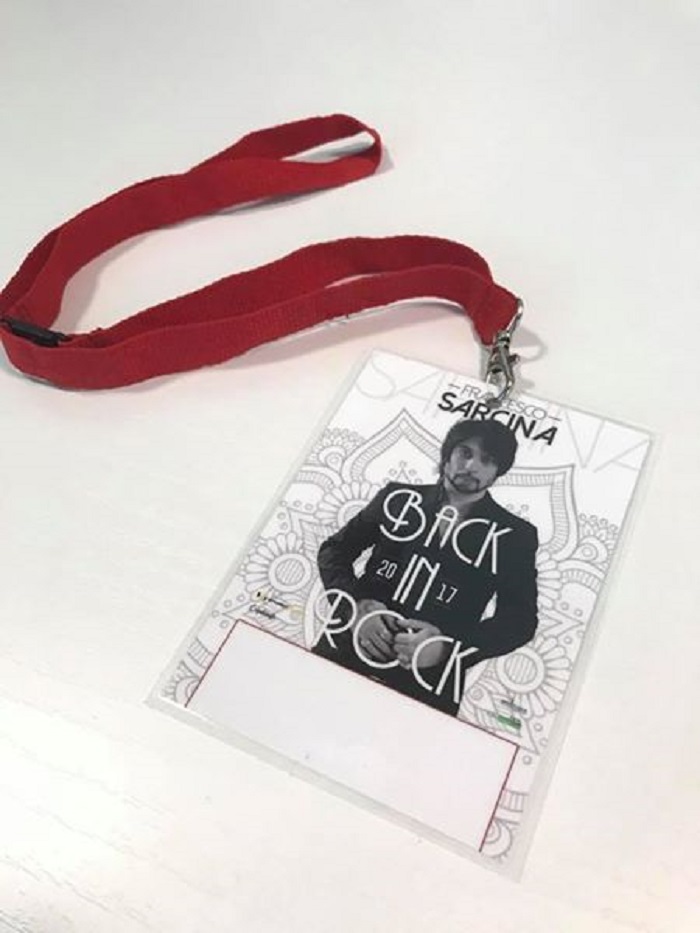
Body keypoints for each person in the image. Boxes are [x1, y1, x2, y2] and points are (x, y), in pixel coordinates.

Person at [312, 418, 539, 717]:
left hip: (427, 685)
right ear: (447, 455)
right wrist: (354, 608)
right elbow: (335, 550)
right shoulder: (397, 497)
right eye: (465, 452)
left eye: (487, 460)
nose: (472, 466)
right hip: (345, 651)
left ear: (499, 470)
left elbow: (520, 620)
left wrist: (448, 649)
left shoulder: (516, 536)